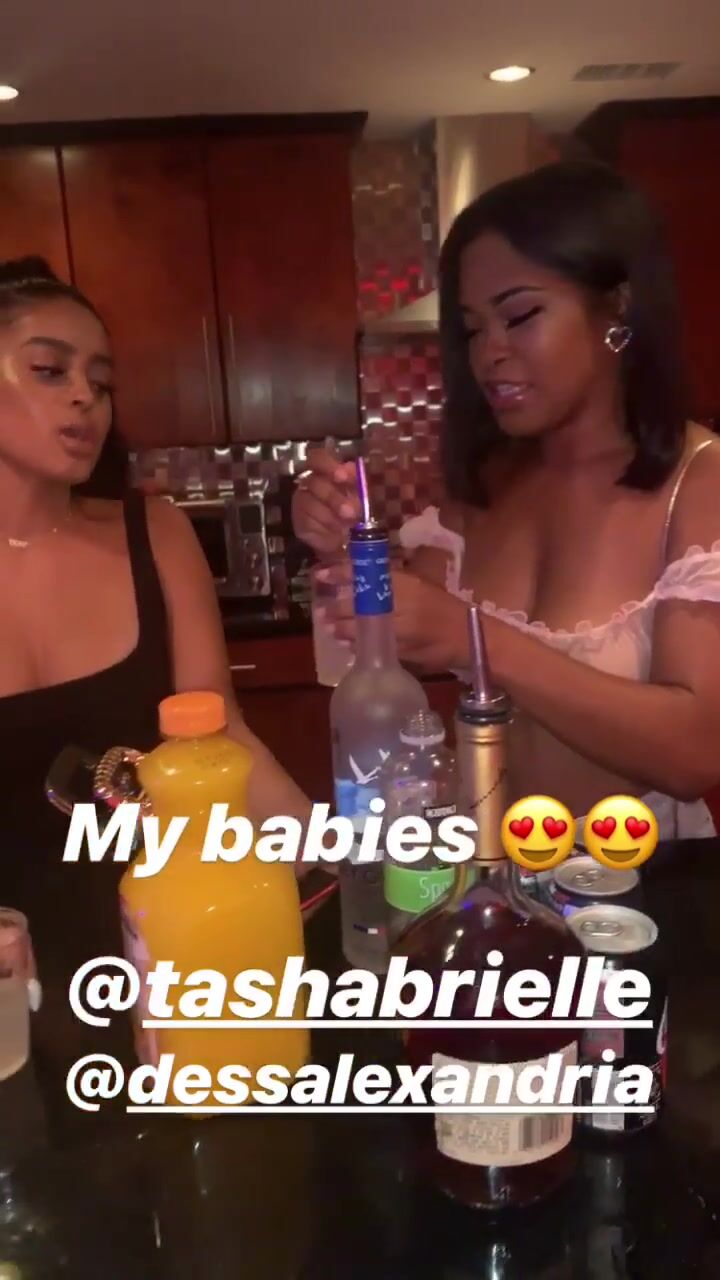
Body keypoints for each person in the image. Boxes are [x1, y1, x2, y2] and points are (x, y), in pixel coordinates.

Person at [293, 160, 720, 843]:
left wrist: (472, 636)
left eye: (519, 316)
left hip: (641, 879)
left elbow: (694, 755)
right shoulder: (490, 484)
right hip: (491, 869)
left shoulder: (699, 482)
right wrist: (339, 546)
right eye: (472, 329)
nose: (489, 353)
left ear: (617, 307)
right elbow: (372, 660)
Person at [0, 257, 313, 972]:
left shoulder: (156, 534)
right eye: (49, 370)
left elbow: (222, 737)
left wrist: (335, 863)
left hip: (164, 939)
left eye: (101, 382)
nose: (84, 396)